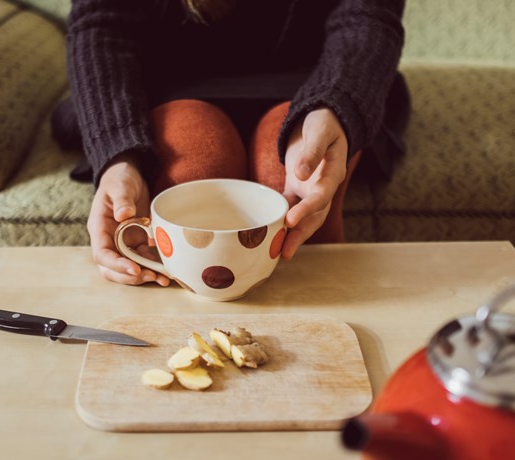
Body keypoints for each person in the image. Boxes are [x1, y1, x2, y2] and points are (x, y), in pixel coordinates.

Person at [52, 0, 409, 287]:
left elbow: (369, 13)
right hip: (165, 83)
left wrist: (334, 105)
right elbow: (102, 23)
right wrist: (119, 158)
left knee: (288, 199)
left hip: (316, 76)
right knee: (190, 182)